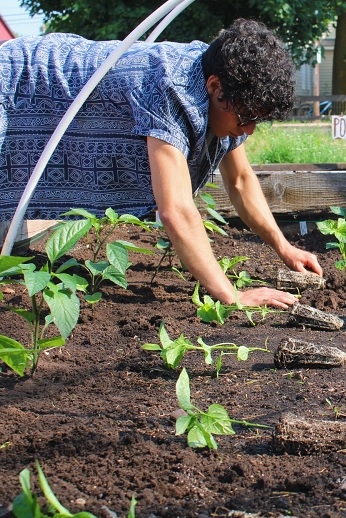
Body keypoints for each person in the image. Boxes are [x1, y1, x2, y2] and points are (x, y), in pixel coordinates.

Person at [0, 19, 322, 309]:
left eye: (258, 119)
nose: (250, 129)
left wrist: (284, 247)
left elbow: (239, 180)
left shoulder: (226, 83)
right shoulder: (169, 90)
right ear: (213, 87)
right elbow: (175, 210)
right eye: (247, 117)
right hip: (25, 80)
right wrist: (231, 295)